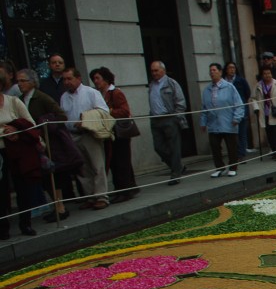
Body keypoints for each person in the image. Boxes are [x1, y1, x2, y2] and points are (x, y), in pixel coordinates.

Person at [61, 67, 111, 208]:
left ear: (78, 78)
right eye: (64, 79)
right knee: (82, 169)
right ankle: (90, 197)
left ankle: (101, 197)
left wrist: (86, 120)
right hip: (73, 136)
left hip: (89, 134)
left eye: (69, 78)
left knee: (97, 166)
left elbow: (103, 111)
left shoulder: (91, 92)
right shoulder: (64, 97)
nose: (67, 82)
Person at [89, 67, 139, 202]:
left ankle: (124, 190)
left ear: (106, 79)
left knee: (120, 161)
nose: (95, 81)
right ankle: (128, 187)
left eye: (97, 78)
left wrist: (107, 112)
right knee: (116, 161)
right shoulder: (100, 94)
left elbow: (124, 111)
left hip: (119, 132)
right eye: (94, 79)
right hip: (109, 132)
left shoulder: (115, 93)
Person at [0, 85, 36, 239]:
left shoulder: (14, 102)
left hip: (17, 151)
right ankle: (3, 228)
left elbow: (31, 124)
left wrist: (16, 130)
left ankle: (26, 223)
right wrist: (3, 131)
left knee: (23, 188)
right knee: (1, 190)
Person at [199, 62, 244, 177]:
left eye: (214, 70)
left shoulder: (229, 87)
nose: (212, 73)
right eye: (210, 71)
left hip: (228, 122)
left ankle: (233, 166)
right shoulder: (207, 90)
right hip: (214, 123)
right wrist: (203, 122)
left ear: (220, 72)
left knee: (231, 146)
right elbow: (204, 108)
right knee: (214, 146)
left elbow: (238, 104)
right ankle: (219, 167)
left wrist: (237, 118)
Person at [148, 60, 187, 185]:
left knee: (174, 147)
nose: (154, 73)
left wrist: (177, 116)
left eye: (156, 70)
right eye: (152, 71)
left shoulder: (171, 83)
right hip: (155, 119)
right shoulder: (151, 85)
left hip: (169, 118)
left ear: (163, 70)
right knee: (158, 147)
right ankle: (178, 166)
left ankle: (175, 174)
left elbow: (180, 101)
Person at [224, 62, 252, 160]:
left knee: (242, 132)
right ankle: (234, 153)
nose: (232, 70)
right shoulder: (224, 81)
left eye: (233, 68)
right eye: (230, 68)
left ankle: (241, 154)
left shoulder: (241, 80)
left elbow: (247, 93)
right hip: (228, 111)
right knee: (231, 134)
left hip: (241, 108)